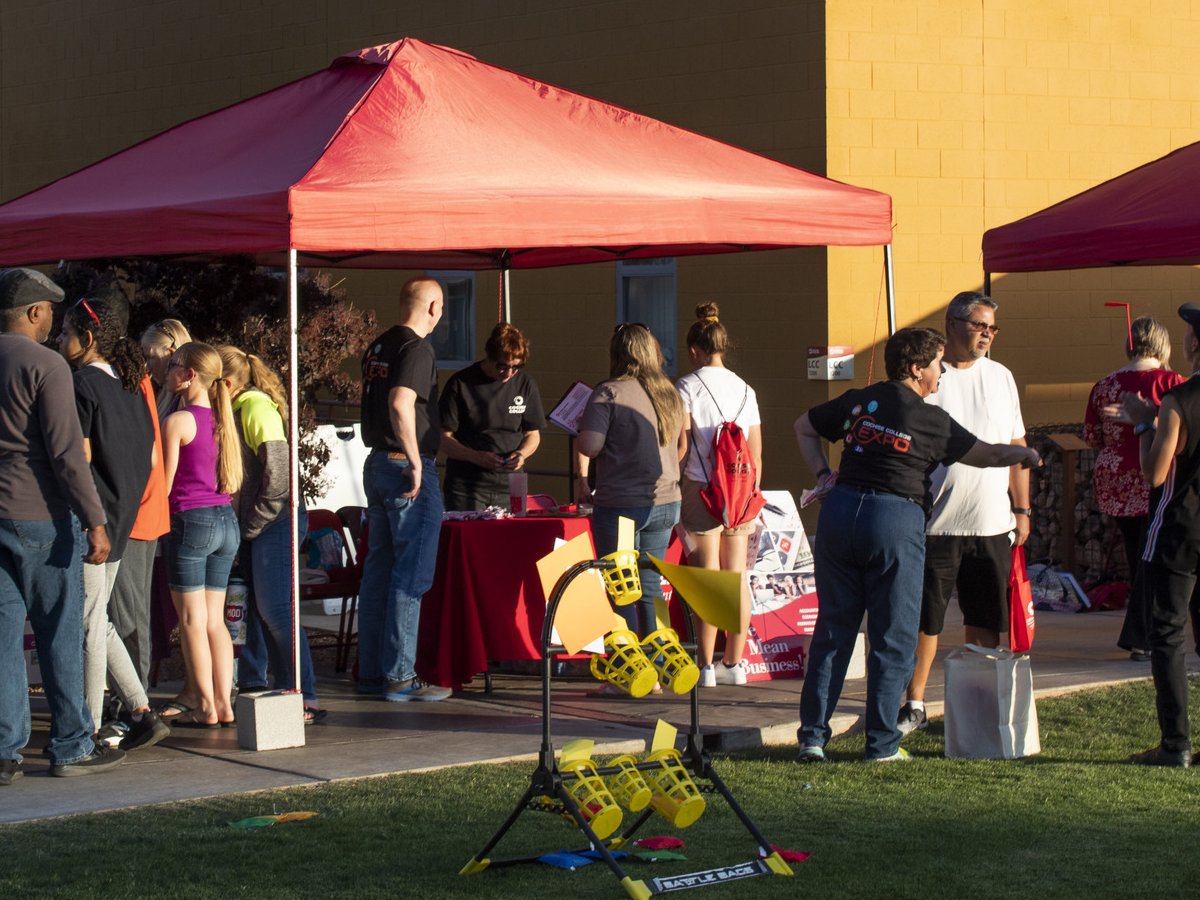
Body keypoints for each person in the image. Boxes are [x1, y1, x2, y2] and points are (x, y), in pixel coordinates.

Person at [794, 327, 1041, 762]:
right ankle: (882, 744)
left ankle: (813, 739)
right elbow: (985, 454)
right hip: (892, 520)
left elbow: (803, 427)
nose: (941, 372)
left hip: (839, 516)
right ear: (915, 369)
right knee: (894, 636)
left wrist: (821, 476)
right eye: (936, 364)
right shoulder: (929, 419)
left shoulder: (859, 400)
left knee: (834, 631)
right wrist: (1022, 455)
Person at [0, 268, 124, 782]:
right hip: (41, 517)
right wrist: (95, 521)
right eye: (50, 311)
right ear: (34, 311)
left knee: (4, 639)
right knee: (59, 632)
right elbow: (68, 456)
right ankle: (72, 744)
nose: (53, 320)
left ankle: (5, 750)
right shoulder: (47, 365)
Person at [896, 292, 1032, 737]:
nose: (987, 334)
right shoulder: (931, 377)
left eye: (993, 327)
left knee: (987, 619)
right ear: (952, 324)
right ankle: (914, 703)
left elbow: (1014, 446)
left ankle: (976, 702)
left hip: (993, 521)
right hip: (936, 522)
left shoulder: (1002, 376)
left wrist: (1022, 509)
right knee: (927, 621)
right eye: (979, 325)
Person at [56, 289, 169, 752]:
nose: (59, 341)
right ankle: (140, 710)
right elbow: (145, 457)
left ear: (86, 337)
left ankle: (92, 726)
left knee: (86, 623)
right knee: (97, 620)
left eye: (65, 334)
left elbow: (78, 458)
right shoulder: (131, 387)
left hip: (92, 522)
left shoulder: (83, 385)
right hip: (121, 519)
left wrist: (89, 516)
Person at [217, 345, 324, 722]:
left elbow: (278, 474)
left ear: (226, 383)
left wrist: (253, 524)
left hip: (274, 522)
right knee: (261, 613)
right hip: (259, 525)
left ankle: (304, 694)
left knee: (278, 610)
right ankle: (278, 688)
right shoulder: (236, 408)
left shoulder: (253, 407)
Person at [357, 277, 452, 702]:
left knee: (379, 570)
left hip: (378, 462)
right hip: (402, 466)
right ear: (432, 307)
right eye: (442, 307)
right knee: (411, 572)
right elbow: (400, 402)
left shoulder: (379, 345)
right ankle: (399, 674)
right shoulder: (417, 348)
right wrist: (415, 460)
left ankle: (373, 671)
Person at [577, 323, 685, 696]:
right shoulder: (669, 392)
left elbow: (590, 446)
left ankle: (627, 675)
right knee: (650, 586)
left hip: (622, 503)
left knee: (621, 588)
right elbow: (680, 446)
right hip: (667, 501)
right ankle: (659, 667)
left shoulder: (608, 392)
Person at [1120, 303, 1200, 767]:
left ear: (1194, 343)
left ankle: (1175, 743)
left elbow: (1154, 473)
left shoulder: (1179, 400)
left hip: (1178, 529)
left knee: (1166, 633)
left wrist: (1143, 422)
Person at [1083, 317, 1183, 660]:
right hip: (1157, 474)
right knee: (1152, 558)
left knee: (1139, 554)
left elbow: (1092, 437)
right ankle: (1142, 635)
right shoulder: (1173, 382)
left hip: (1113, 477)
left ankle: (1143, 634)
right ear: (1162, 344)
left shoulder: (1105, 385)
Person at [675, 303, 762, 688]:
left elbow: (682, 445)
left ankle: (706, 666)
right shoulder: (746, 388)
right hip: (741, 490)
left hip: (701, 487)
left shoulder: (687, 386)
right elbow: (756, 452)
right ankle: (735, 663)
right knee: (736, 576)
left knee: (708, 579)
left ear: (694, 349)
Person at [159, 341, 243, 727]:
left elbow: (165, 483)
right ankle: (224, 703)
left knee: (191, 621)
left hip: (191, 523)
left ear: (190, 374)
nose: (167, 370)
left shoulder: (178, 421)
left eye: (173, 365)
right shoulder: (224, 420)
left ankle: (206, 706)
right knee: (215, 621)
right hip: (226, 521)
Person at [439, 322, 547, 511]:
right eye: (502, 366)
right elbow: (442, 438)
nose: (509, 373)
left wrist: (521, 454)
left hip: (510, 487)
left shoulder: (525, 384)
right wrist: (474, 456)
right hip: (467, 487)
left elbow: (532, 434)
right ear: (489, 357)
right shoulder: (460, 383)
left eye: (516, 367)